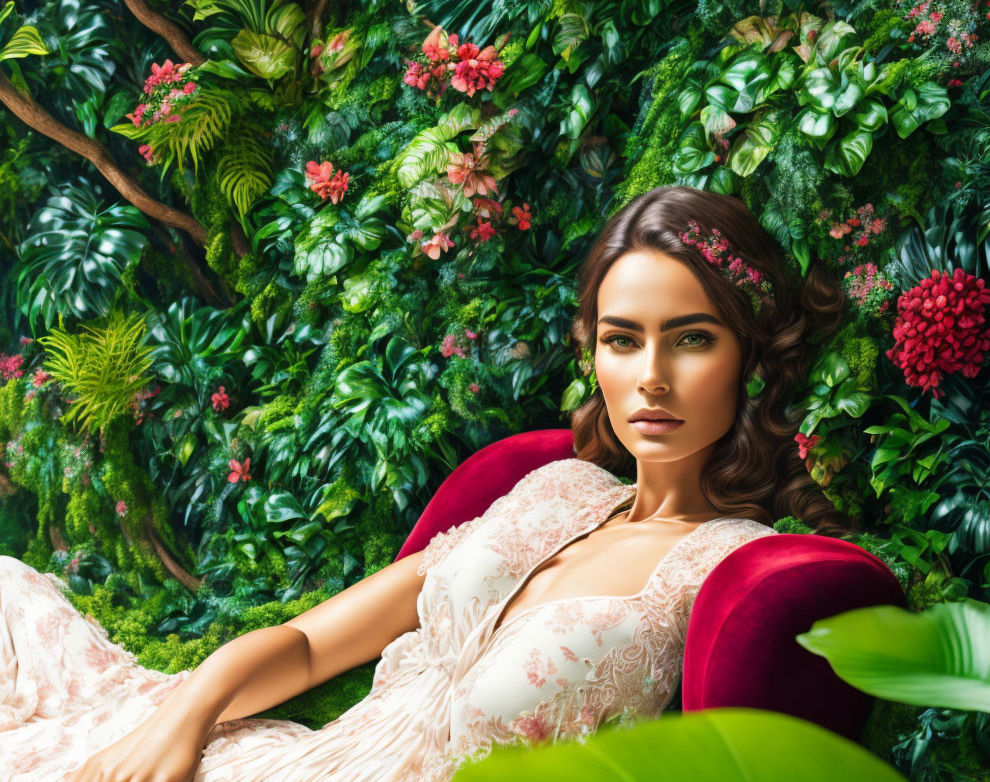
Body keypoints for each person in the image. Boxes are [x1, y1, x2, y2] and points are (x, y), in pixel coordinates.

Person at [0, 185, 852, 781]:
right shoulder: (558, 490)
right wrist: (179, 720)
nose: (651, 377)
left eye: (693, 339)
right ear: (593, 349)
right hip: (295, 762)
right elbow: (306, 644)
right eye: (623, 339)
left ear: (750, 353)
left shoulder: (730, 567)